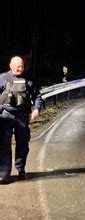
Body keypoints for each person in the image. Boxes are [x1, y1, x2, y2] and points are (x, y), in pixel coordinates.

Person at [0, 56, 42, 184]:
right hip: (5, 115)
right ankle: (3, 174)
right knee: (4, 145)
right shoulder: (2, 78)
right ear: (10, 65)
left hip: (22, 116)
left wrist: (36, 109)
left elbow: (37, 96)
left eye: (22, 66)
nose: (20, 68)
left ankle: (21, 169)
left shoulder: (28, 79)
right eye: (18, 66)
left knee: (23, 144)